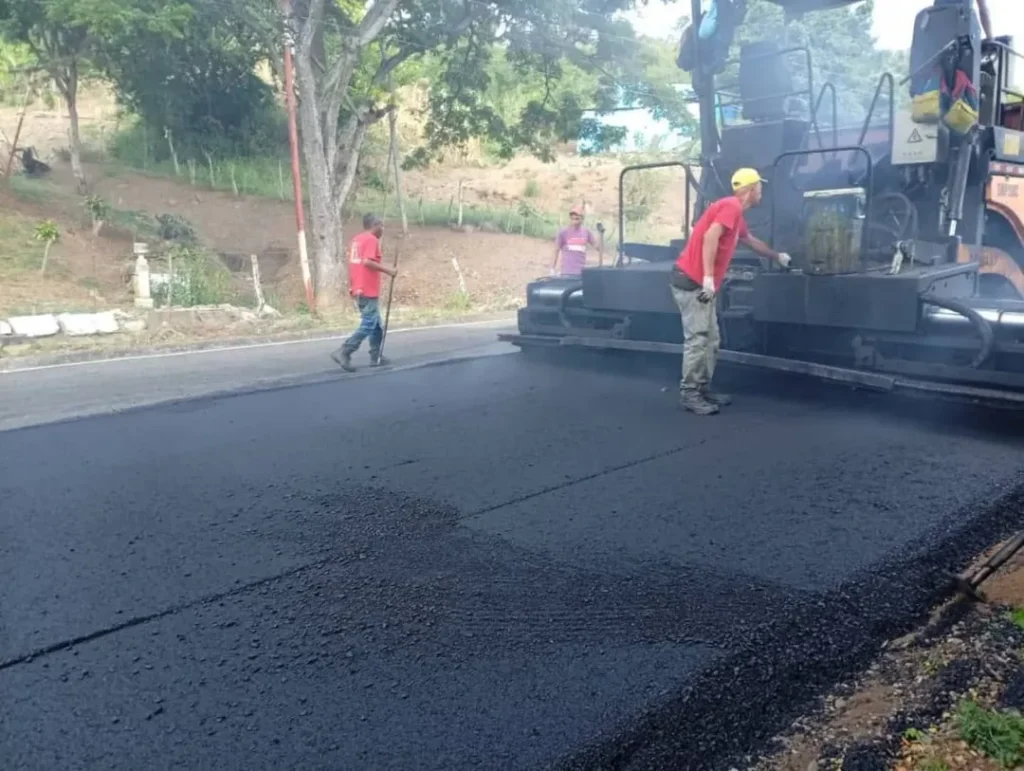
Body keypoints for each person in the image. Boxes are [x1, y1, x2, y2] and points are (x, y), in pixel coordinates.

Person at [670, 168, 791, 416]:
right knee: (698, 339)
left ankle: (703, 388)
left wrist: (776, 256)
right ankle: (689, 394)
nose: (761, 192)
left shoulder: (735, 215)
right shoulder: (730, 206)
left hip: (701, 283)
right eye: (759, 187)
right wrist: (706, 278)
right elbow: (710, 237)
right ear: (750, 189)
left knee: (711, 340)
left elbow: (751, 241)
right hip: (691, 281)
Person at [331, 213, 397, 372]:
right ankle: (345, 350)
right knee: (369, 323)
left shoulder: (357, 240)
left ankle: (376, 356)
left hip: (359, 287)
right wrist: (389, 271)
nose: (382, 229)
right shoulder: (371, 240)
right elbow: (367, 262)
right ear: (375, 225)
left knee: (376, 325)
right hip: (367, 289)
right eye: (381, 226)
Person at [552, 205, 601, 277]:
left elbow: (598, 248)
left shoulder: (586, 232)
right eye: (572, 219)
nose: (574, 221)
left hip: (580, 273)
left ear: (582, 219)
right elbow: (556, 250)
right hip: (566, 273)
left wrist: (601, 234)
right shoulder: (563, 232)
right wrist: (552, 268)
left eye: (577, 219)